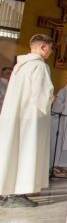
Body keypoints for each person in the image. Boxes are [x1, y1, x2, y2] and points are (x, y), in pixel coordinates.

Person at [0, 34, 55, 208]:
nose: (51, 52)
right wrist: (51, 99)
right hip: (29, 119)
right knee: (26, 151)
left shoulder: (18, 66)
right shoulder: (39, 66)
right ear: (44, 47)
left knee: (10, 151)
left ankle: (4, 192)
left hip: (13, 116)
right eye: (51, 48)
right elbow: (41, 95)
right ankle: (18, 193)